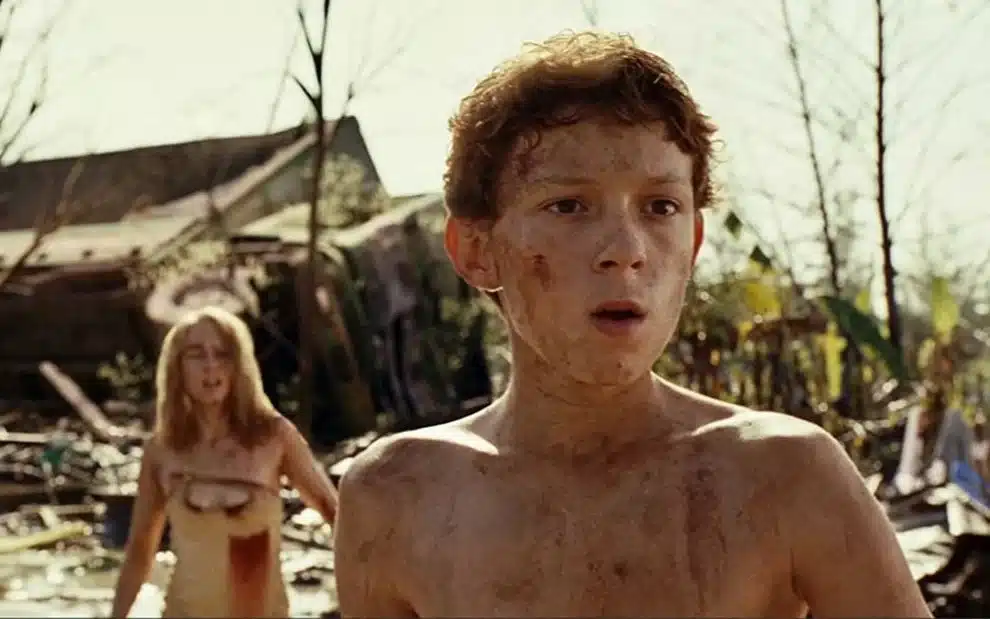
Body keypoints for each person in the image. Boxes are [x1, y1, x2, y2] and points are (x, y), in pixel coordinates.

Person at [332, 30, 932, 618]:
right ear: (476, 250)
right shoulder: (397, 498)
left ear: (693, 243)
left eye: (660, 207)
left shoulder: (785, 477)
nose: (626, 250)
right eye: (568, 205)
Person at [110, 306, 338, 618]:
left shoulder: (273, 436)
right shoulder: (162, 449)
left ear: (238, 365)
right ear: (178, 367)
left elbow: (337, 516)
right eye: (196, 355)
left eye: (222, 354)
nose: (210, 366)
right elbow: (140, 551)